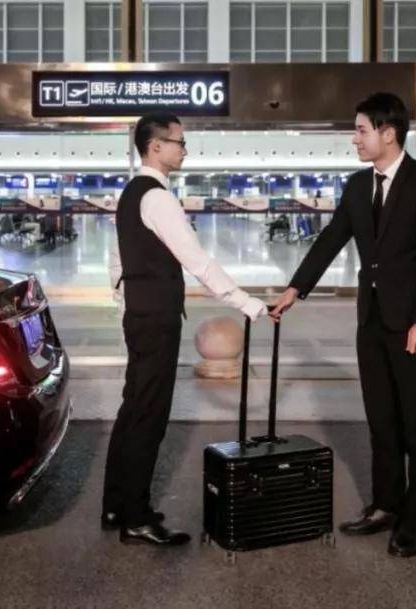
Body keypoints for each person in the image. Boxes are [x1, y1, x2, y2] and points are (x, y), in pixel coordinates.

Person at [269, 92, 416, 558]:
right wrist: (295, 289)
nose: (354, 139)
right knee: (381, 420)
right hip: (371, 321)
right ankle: (386, 505)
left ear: (388, 133)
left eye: (360, 130)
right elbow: (331, 239)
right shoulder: (357, 186)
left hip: (413, 325)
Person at [105, 113, 269, 546]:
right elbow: (198, 261)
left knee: (133, 408)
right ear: (155, 146)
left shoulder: (130, 193)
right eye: (178, 142)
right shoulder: (158, 198)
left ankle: (116, 504)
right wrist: (246, 303)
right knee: (149, 415)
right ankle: (136, 517)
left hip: (140, 315)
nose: (184, 149)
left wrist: (126, 307)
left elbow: (116, 262)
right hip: (155, 319)